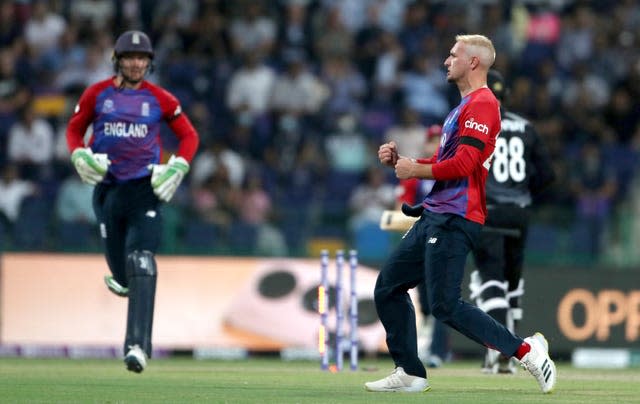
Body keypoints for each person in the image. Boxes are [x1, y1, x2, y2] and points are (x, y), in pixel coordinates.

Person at [365, 34, 556, 394]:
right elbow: (445, 161)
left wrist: (415, 171)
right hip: (436, 215)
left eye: (453, 55)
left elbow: (466, 164)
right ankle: (409, 372)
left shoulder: (484, 104)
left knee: (445, 305)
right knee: (389, 287)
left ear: (473, 62)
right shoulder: (462, 108)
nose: (445, 61)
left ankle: (527, 350)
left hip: (456, 217)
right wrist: (406, 162)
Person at [66, 30, 199, 373]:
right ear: (118, 60)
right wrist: (78, 154)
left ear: (149, 63)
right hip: (108, 193)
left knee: (142, 260)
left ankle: (137, 346)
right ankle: (126, 284)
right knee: (124, 276)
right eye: (130, 57)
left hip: (145, 190)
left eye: (142, 58)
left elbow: (189, 135)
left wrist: (180, 165)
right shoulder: (97, 94)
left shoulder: (161, 99)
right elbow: (73, 129)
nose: (136, 63)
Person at [470, 69, 556, 374]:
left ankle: (501, 349)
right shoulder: (527, 127)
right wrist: (522, 191)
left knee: (491, 279)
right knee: (512, 282)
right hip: (519, 212)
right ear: (505, 96)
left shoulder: (478, 123)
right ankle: (514, 347)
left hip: (488, 209)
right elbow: (547, 176)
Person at [394, 124, 452, 368]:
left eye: (441, 140)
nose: (436, 144)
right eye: (433, 140)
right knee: (426, 302)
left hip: (445, 239)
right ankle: (430, 345)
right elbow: (402, 205)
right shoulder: (417, 173)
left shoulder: (450, 170)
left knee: (440, 297)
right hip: (420, 241)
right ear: (426, 144)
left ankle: (438, 352)